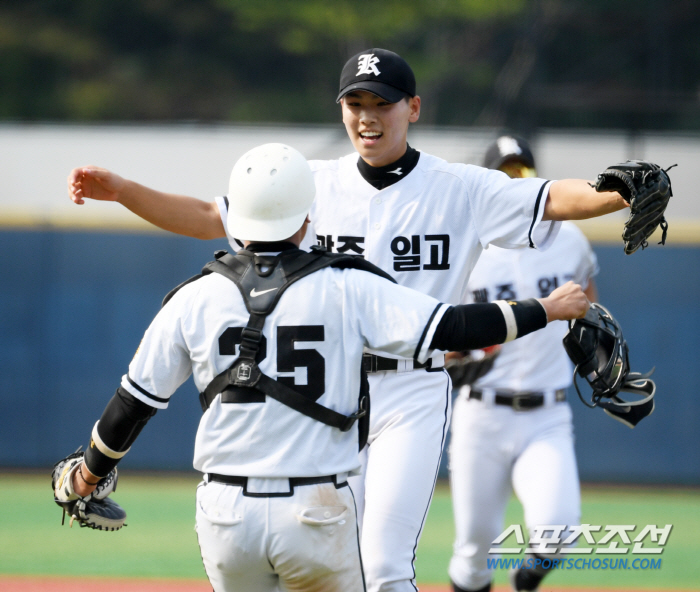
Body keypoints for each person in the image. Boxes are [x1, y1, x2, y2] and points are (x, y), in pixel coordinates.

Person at [67, 49, 630, 592]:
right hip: (329, 391)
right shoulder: (309, 183)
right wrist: (123, 192)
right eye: (354, 102)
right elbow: (209, 216)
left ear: (412, 108)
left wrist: (622, 189)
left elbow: (555, 198)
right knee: (322, 561)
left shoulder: (459, 187)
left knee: (382, 568)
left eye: (381, 103)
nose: (367, 116)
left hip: (411, 387)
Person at [447, 135, 599, 592]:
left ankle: (523, 584)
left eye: (522, 172)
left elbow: (589, 302)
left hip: (547, 414)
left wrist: (596, 345)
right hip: (481, 415)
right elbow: (441, 330)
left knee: (557, 531)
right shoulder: (464, 246)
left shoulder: (568, 238)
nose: (515, 181)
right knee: (474, 551)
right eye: (505, 173)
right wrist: (451, 357)